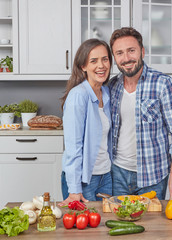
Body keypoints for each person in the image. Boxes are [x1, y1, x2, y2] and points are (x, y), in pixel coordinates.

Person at [109, 27, 172, 203]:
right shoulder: (112, 86)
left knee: (151, 227)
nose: (126, 58)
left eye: (131, 51)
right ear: (114, 58)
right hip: (117, 173)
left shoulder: (163, 84)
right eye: (119, 53)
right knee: (120, 223)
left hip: (153, 175)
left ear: (142, 52)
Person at [58, 39, 113, 206]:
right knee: (83, 231)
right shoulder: (78, 96)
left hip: (106, 176)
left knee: (105, 228)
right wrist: (74, 189)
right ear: (83, 66)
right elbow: (73, 146)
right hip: (84, 180)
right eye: (93, 61)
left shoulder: (105, 92)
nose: (101, 65)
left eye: (105, 59)